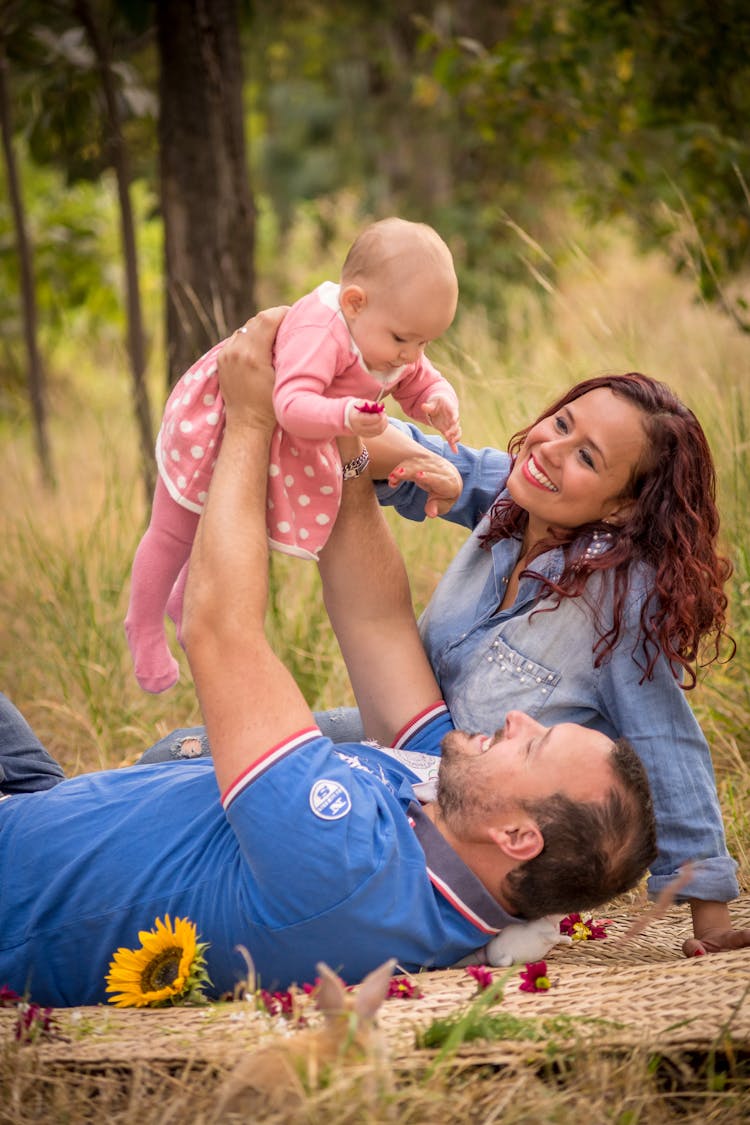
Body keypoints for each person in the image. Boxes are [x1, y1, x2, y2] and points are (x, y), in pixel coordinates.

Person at [0, 313, 657, 1007]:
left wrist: (252, 424)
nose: (520, 719)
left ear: (518, 835)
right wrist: (340, 434)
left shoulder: (347, 869)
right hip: (46, 806)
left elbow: (220, 630)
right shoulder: (455, 816)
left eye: (536, 743)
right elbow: (376, 622)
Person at [145, 362, 750, 959]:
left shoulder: (622, 606)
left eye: (588, 457)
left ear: (622, 508)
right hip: (405, 739)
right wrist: (316, 399)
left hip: (481, 816)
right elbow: (405, 450)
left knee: (255, 795)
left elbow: (669, 746)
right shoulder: (516, 494)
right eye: (562, 423)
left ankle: (495, 915)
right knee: (178, 755)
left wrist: (709, 913)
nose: (551, 449)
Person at [125, 217, 461, 694]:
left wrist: (439, 399)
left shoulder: (387, 338)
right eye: (405, 340)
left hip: (267, 442)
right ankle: (141, 625)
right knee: (174, 529)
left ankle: (186, 604)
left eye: (425, 342)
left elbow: (418, 381)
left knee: (230, 533)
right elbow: (291, 405)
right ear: (354, 302)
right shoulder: (322, 330)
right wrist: (346, 415)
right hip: (220, 422)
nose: (411, 355)